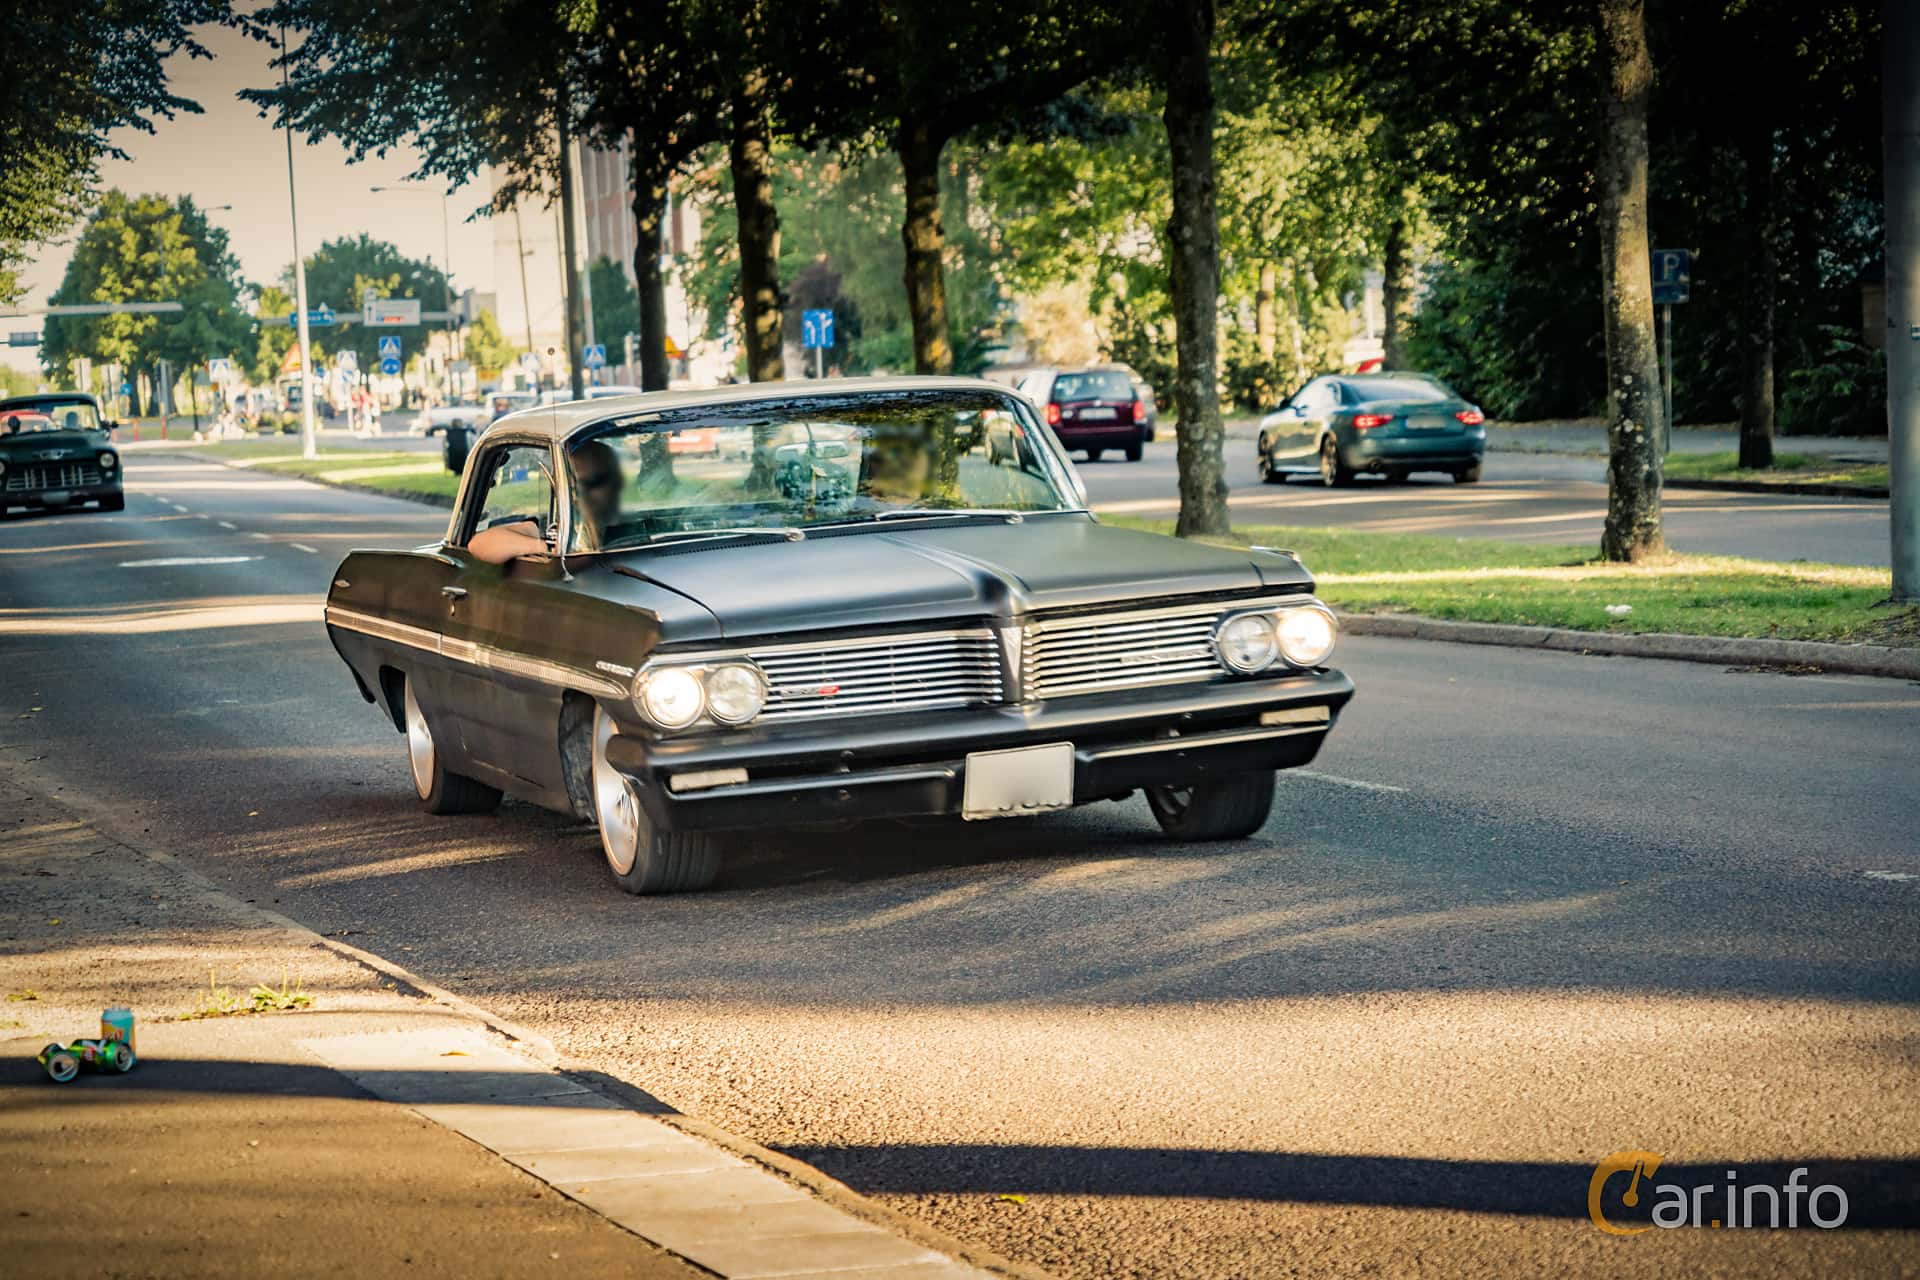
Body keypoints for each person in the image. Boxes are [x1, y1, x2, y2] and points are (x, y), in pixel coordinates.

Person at [467, 439, 623, 564]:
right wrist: (545, 547)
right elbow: (479, 545)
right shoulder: (552, 528)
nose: (580, 494)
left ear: (617, 482)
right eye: (572, 486)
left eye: (594, 482)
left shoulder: (643, 527)